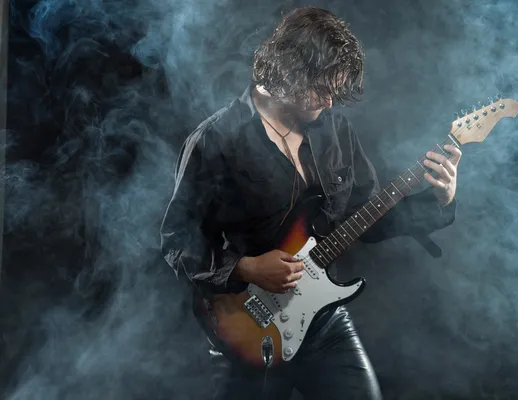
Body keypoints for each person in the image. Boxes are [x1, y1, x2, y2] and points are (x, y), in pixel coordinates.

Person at [160, 6, 461, 400]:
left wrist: (439, 199)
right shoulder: (216, 139)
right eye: (322, 88)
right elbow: (176, 241)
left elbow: (365, 217)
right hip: (248, 325)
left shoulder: (335, 130)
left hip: (321, 317)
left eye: (336, 91)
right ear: (288, 69)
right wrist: (247, 267)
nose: (331, 102)